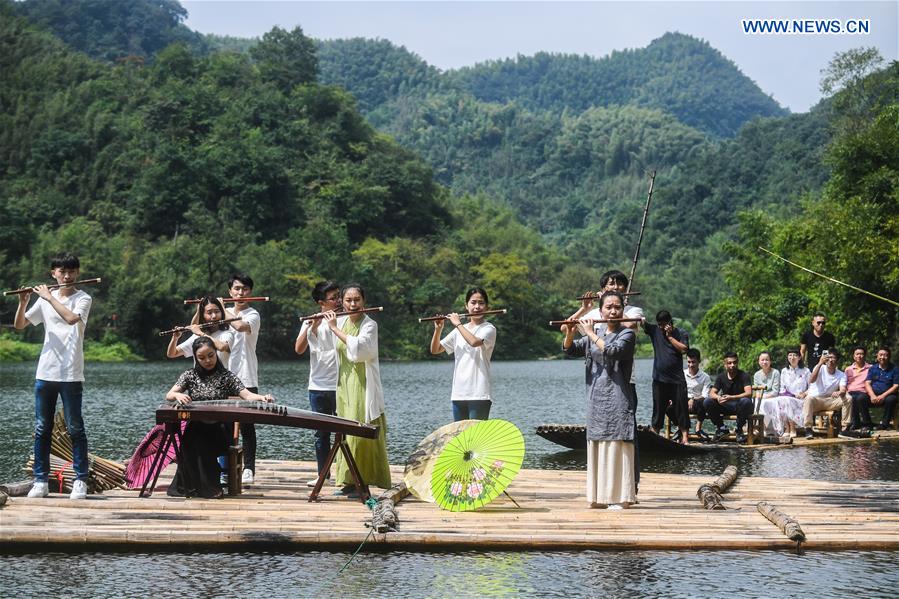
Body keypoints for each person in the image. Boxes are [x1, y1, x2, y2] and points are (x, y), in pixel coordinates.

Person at [14, 253, 93, 500]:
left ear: (77, 273)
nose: (67, 276)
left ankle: (80, 479)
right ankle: (41, 481)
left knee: (75, 428)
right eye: (62, 272)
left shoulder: (83, 298)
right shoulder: (45, 299)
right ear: (53, 274)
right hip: (45, 371)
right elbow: (20, 325)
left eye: (71, 271)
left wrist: (48, 297)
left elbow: (71, 319)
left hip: (70, 373)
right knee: (41, 428)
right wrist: (23, 302)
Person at [165, 336, 273, 498]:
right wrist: (178, 395)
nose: (207, 360)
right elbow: (169, 395)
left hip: (220, 429)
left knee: (201, 442)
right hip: (197, 427)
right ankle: (192, 486)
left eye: (211, 355)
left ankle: (208, 488)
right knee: (189, 441)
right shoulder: (190, 375)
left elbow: (247, 395)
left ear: (216, 353)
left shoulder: (227, 376)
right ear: (196, 358)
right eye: (201, 358)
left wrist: (263, 397)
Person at [563, 291, 637, 509]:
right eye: (608, 307)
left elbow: (613, 352)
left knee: (617, 444)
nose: (613, 311)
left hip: (618, 396)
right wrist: (570, 332)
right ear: (601, 310)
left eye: (617, 307)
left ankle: (621, 497)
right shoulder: (594, 332)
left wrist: (589, 332)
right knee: (599, 444)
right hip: (596, 397)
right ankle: (599, 496)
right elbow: (570, 350)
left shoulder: (627, 334)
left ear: (622, 310)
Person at [323, 284, 391, 495]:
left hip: (363, 385)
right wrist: (319, 324)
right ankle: (348, 481)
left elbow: (361, 351)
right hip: (344, 384)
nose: (353, 304)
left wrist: (334, 328)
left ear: (364, 301)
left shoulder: (369, 325)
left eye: (357, 300)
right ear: (342, 302)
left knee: (360, 430)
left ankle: (362, 480)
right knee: (344, 432)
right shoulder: (341, 321)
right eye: (348, 300)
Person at [295, 280, 341, 486]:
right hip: (318, 385)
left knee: (346, 431)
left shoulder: (344, 319)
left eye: (339, 296)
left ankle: (345, 474)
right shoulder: (309, 321)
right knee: (320, 433)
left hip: (341, 384)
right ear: (321, 302)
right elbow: (299, 349)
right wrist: (311, 327)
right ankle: (323, 474)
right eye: (334, 298)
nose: (338, 301)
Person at [429, 287, 497, 421]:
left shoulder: (489, 329)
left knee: (476, 438)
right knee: (461, 438)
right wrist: (438, 329)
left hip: (479, 393)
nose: (477, 306)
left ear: (487, 307)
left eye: (481, 303)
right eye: (473, 302)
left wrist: (458, 324)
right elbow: (435, 350)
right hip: (458, 393)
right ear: (466, 306)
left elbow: (474, 342)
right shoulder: (459, 330)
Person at [224, 274, 262, 484]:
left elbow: (239, 326)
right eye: (237, 289)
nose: (240, 293)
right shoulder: (219, 313)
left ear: (250, 292)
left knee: (247, 425)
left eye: (245, 289)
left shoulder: (253, 314)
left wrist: (223, 309)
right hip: (224, 375)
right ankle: (225, 468)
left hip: (246, 375)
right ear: (230, 292)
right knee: (225, 425)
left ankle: (248, 469)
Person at [642, 310, 689, 443]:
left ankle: (685, 438)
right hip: (659, 379)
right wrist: (640, 319)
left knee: (681, 408)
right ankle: (655, 436)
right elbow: (640, 322)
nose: (661, 327)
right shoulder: (655, 331)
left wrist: (670, 337)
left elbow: (684, 349)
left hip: (677, 379)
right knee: (658, 408)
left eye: (664, 325)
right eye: (659, 325)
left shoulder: (680, 333)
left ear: (670, 322)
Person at [167, 296, 233, 368]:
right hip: (200, 378)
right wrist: (175, 338)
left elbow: (222, 347)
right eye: (209, 313)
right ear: (203, 316)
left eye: (217, 312)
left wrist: (201, 333)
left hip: (221, 378)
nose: (214, 316)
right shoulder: (197, 336)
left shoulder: (227, 333)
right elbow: (172, 354)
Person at [759, 349, 809, 438]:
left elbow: (812, 387)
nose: (792, 357)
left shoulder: (806, 371)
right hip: (788, 397)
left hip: (801, 399)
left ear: (799, 357)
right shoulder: (784, 371)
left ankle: (792, 427)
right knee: (781, 400)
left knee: (786, 400)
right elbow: (782, 389)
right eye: (790, 355)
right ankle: (787, 427)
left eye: (795, 355)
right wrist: (790, 395)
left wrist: (804, 394)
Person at [704, 353, 753, 443]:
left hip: (741, 406)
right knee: (707, 401)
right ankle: (722, 428)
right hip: (726, 405)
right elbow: (711, 393)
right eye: (729, 363)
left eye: (734, 362)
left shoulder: (744, 375)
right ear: (725, 364)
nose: (732, 365)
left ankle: (739, 429)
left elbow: (749, 393)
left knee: (746, 401)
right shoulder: (721, 377)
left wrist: (732, 397)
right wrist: (718, 397)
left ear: (737, 363)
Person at [802, 349, 848, 439]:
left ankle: (845, 428)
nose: (831, 360)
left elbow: (843, 389)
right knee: (808, 398)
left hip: (830, 401)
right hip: (816, 400)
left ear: (837, 361)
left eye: (833, 358)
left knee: (848, 398)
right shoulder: (820, 367)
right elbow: (811, 380)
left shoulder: (841, 374)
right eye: (829, 357)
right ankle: (808, 428)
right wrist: (820, 363)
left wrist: (839, 392)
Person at [678, 348, 711, 439]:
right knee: (669, 405)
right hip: (683, 401)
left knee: (704, 402)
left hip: (698, 403)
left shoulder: (705, 377)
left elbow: (705, 395)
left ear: (699, 361)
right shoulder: (681, 374)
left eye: (693, 362)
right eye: (688, 362)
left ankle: (698, 429)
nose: (691, 365)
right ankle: (680, 428)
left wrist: (692, 399)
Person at [863, 347, 899, 430]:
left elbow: (896, 386)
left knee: (891, 400)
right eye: (881, 355)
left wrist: (883, 396)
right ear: (877, 356)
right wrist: (872, 395)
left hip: (887, 396)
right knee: (860, 398)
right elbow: (867, 383)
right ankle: (867, 424)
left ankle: (884, 424)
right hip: (874, 396)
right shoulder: (873, 368)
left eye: (885, 355)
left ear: (889, 357)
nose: (882, 357)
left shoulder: (895, 369)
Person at [844, 346, 872, 431]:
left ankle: (867, 423)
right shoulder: (848, 369)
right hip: (851, 392)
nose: (859, 356)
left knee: (860, 398)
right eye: (857, 354)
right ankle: (855, 422)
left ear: (865, 356)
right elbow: (844, 383)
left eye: (861, 354)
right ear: (854, 356)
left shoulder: (871, 368)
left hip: (864, 392)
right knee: (851, 398)